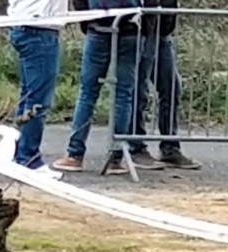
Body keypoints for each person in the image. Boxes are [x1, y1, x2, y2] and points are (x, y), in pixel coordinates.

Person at [53, 0, 164, 175]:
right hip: (131, 29)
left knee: (88, 93)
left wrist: (87, 21)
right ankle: (116, 157)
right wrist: (146, 29)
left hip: (98, 28)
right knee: (123, 94)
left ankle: (75, 154)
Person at [127, 0, 201, 170]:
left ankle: (170, 147)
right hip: (142, 30)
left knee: (171, 87)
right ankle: (136, 147)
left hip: (162, 30)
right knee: (139, 89)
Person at [7, 0, 67, 180]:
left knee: (28, 95)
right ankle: (28, 158)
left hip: (25, 23)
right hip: (38, 27)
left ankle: (19, 153)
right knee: (38, 99)